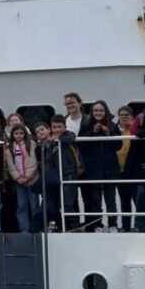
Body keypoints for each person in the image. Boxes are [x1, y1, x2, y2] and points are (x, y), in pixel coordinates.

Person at [81, 101, 123, 232]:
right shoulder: (86, 125)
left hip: (110, 168)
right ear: (92, 112)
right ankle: (97, 224)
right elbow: (81, 145)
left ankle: (112, 224)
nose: (98, 113)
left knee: (110, 200)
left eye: (101, 111)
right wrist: (92, 133)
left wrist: (108, 134)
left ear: (106, 112)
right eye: (96, 111)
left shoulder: (113, 126)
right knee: (95, 200)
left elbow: (118, 146)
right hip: (93, 168)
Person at [62, 93, 92, 228]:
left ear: (80, 103)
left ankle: (91, 224)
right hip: (70, 163)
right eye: (67, 103)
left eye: (72, 102)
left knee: (89, 196)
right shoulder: (64, 121)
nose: (70, 105)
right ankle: (74, 225)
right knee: (71, 197)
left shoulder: (88, 120)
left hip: (87, 161)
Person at [4, 124, 38, 232]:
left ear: (25, 134)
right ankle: (24, 229)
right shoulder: (9, 148)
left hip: (32, 180)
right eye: (16, 133)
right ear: (12, 134)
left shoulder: (31, 144)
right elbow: (10, 166)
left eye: (21, 133)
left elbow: (33, 161)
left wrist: (27, 176)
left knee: (34, 205)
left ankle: (36, 228)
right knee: (21, 206)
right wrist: (18, 178)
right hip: (18, 181)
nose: (19, 136)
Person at [31, 122, 61, 230]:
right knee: (49, 200)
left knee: (56, 201)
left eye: (42, 129)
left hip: (55, 175)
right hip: (46, 177)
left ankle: (56, 222)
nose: (40, 133)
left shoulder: (55, 142)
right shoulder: (38, 148)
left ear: (48, 130)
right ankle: (51, 223)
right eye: (37, 132)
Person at [115, 106, 137, 232]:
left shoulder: (134, 131)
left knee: (137, 199)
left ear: (132, 117)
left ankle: (140, 224)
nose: (124, 117)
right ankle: (126, 226)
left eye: (127, 115)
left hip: (133, 170)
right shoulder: (116, 131)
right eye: (122, 115)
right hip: (120, 170)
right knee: (124, 201)